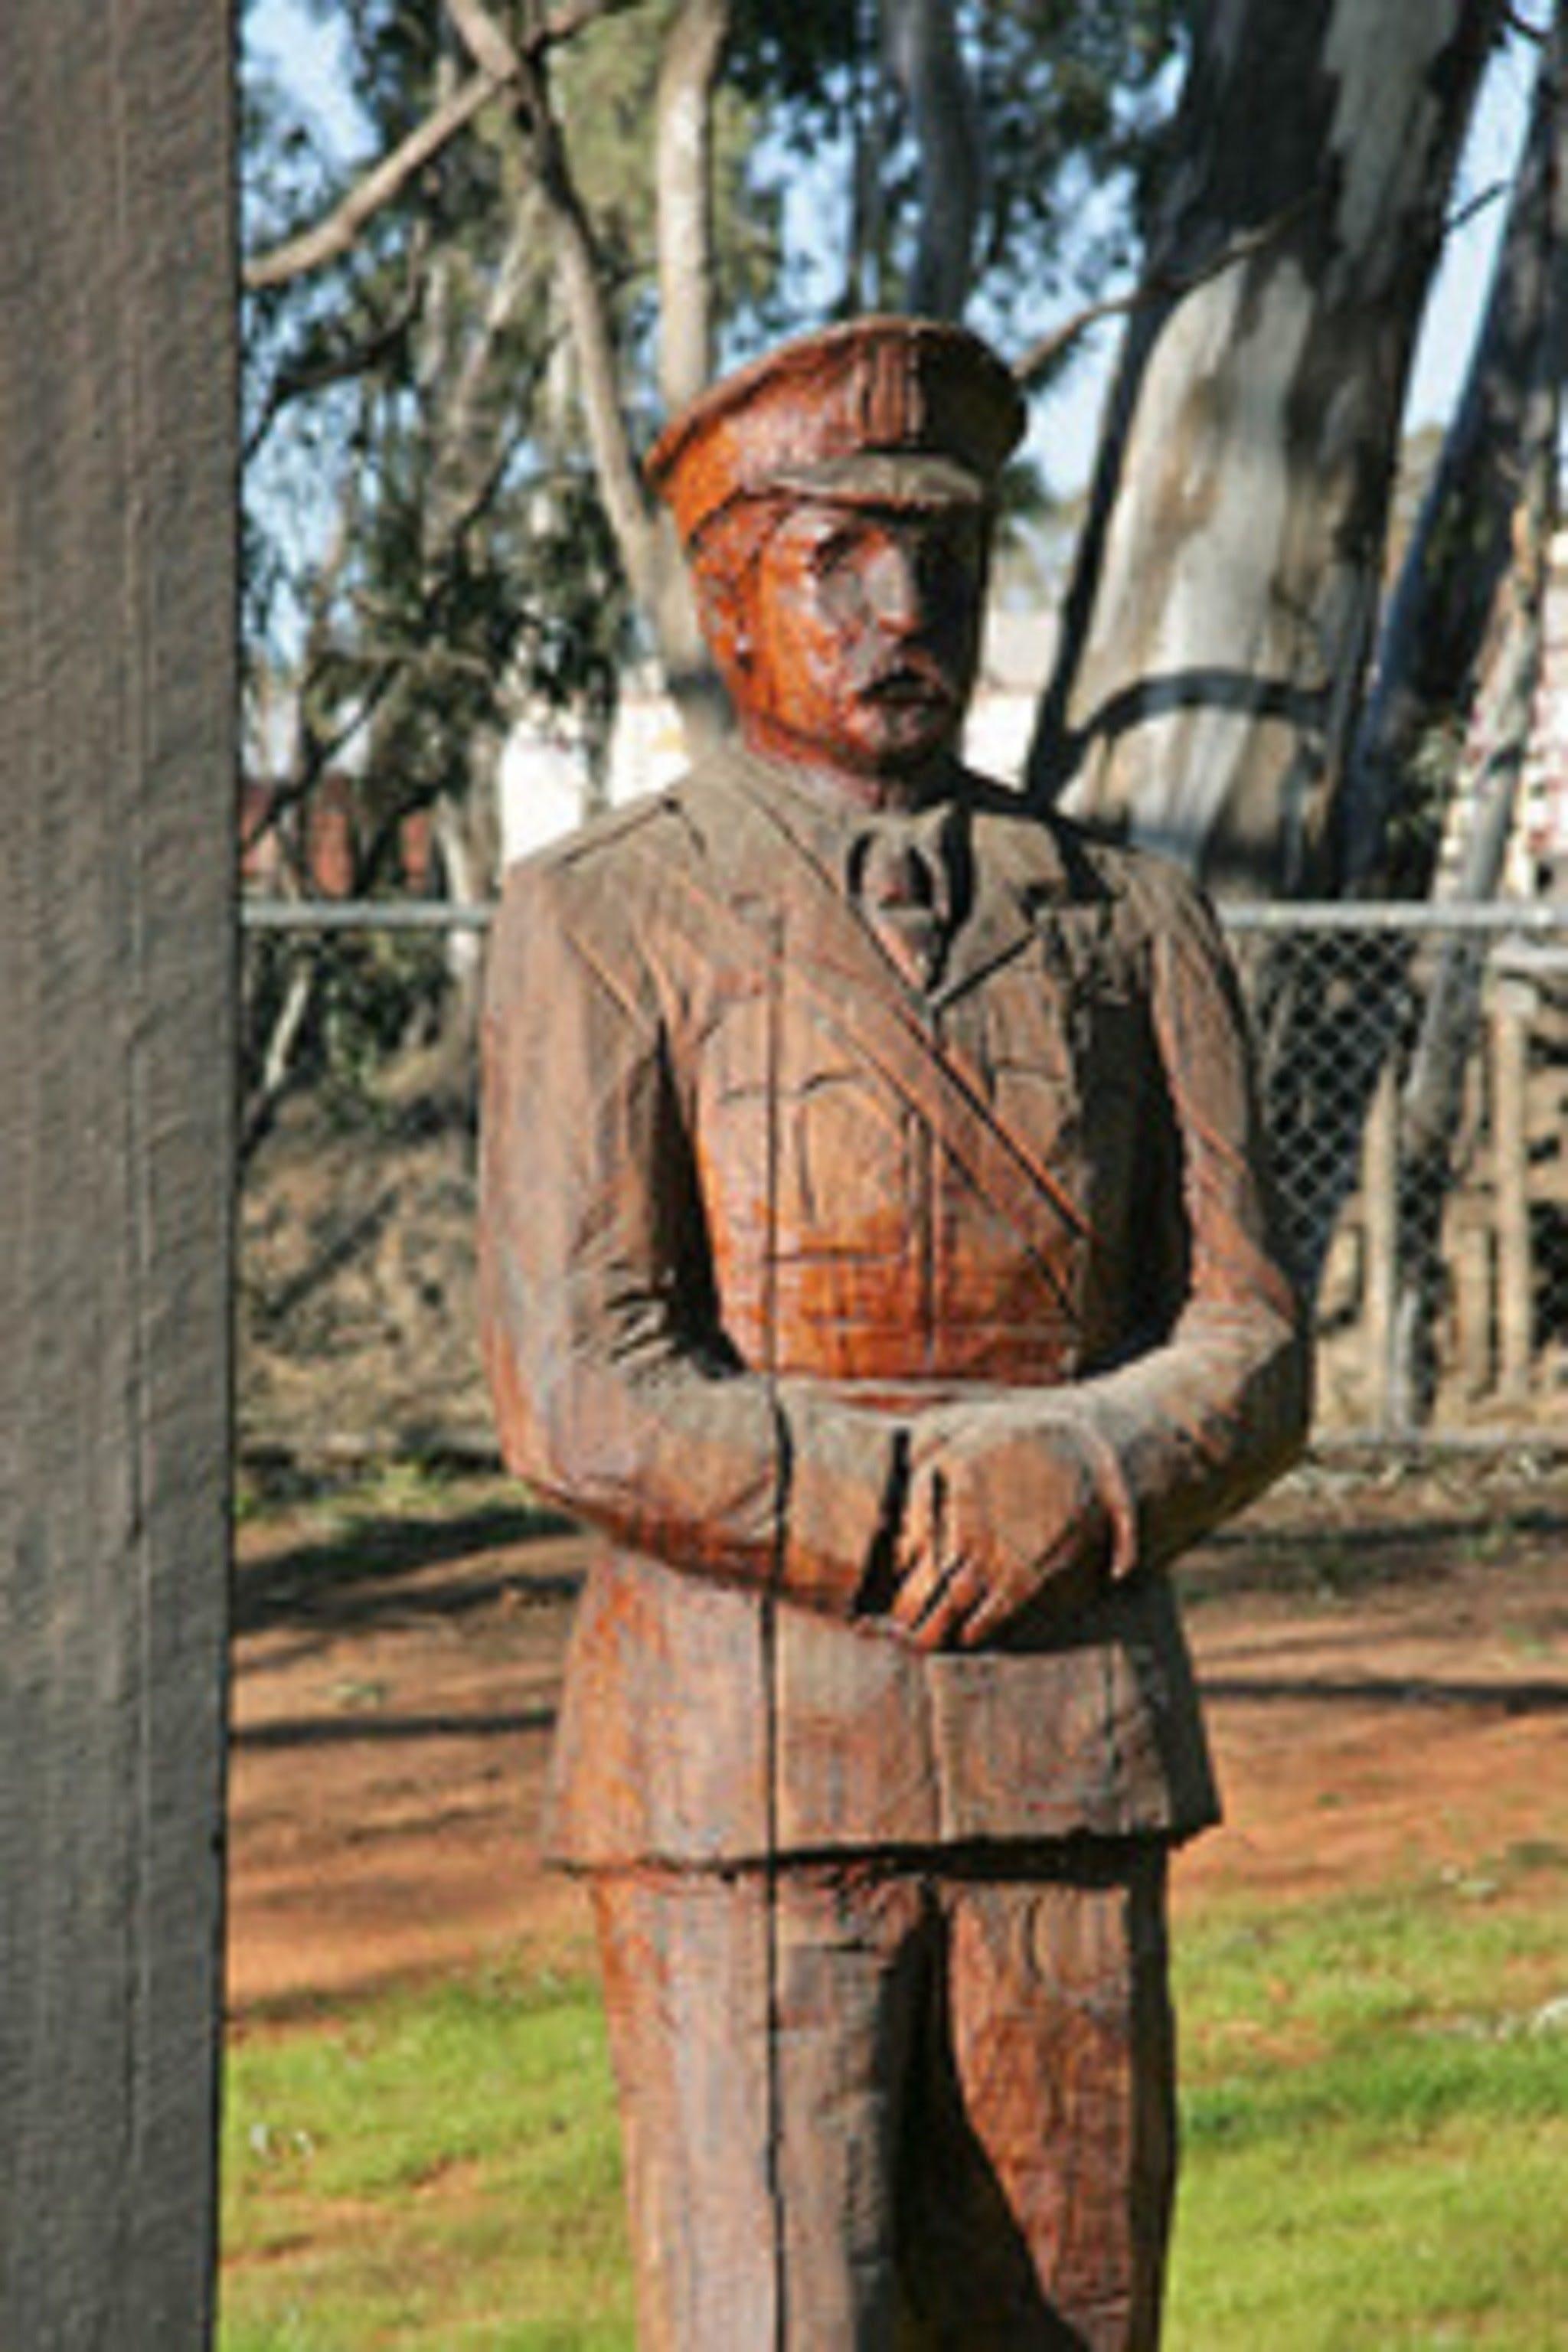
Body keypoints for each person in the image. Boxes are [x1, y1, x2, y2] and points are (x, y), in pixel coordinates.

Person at [479, 315, 1308, 2350]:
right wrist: (891, 1506)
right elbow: (576, 1383)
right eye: (834, 558)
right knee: (778, 2320)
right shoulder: (606, 920)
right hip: (740, 1757)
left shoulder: (1130, 921)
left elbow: (1253, 1340)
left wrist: (1082, 1468)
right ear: (727, 602)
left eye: (937, 556)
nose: (901, 607)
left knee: (1072, 2319)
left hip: (1068, 1752)